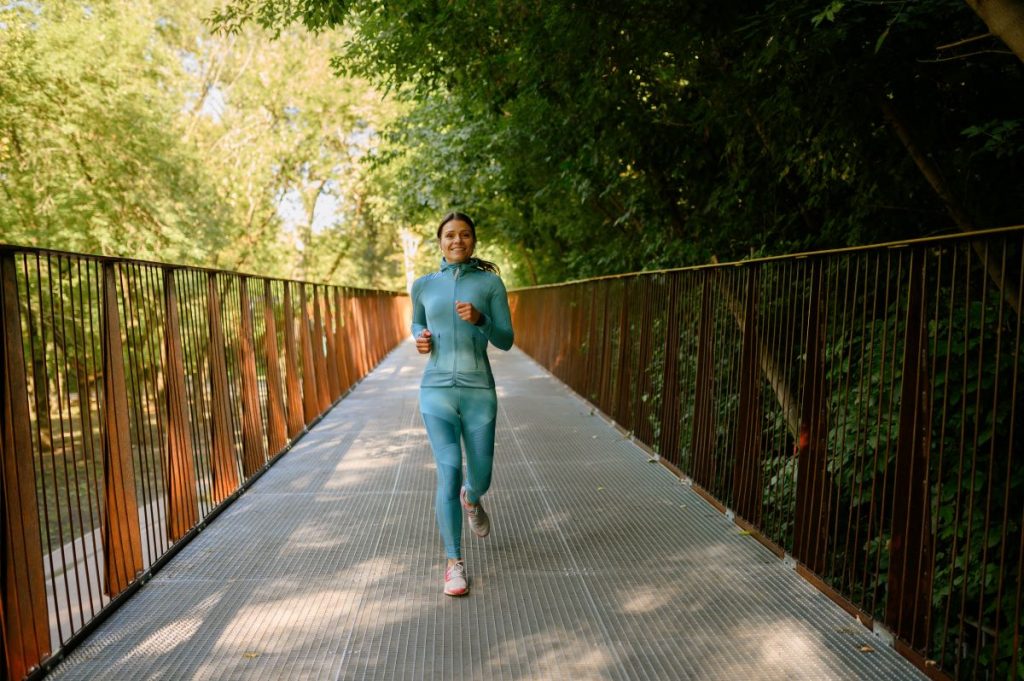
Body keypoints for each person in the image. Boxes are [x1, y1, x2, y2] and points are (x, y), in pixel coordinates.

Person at [411, 211, 515, 596]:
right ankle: (453, 563)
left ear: (473, 240)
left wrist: (481, 319)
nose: (458, 241)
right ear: (440, 241)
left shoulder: (490, 284)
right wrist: (420, 337)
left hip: (478, 391)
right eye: (450, 235)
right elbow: (417, 323)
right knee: (449, 470)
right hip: (436, 389)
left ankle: (472, 499)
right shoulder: (423, 285)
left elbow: (506, 340)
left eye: (465, 235)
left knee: (480, 477)